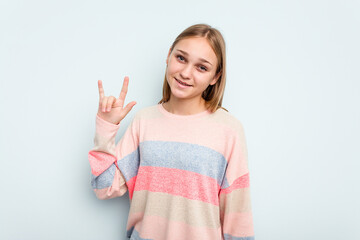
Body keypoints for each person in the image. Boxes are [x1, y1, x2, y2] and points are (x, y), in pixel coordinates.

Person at [88, 23, 255, 240]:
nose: (185, 73)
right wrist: (106, 127)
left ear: (215, 77)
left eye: (202, 67)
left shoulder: (229, 130)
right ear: (169, 55)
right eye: (181, 58)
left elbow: (238, 218)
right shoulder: (144, 121)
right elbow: (104, 188)